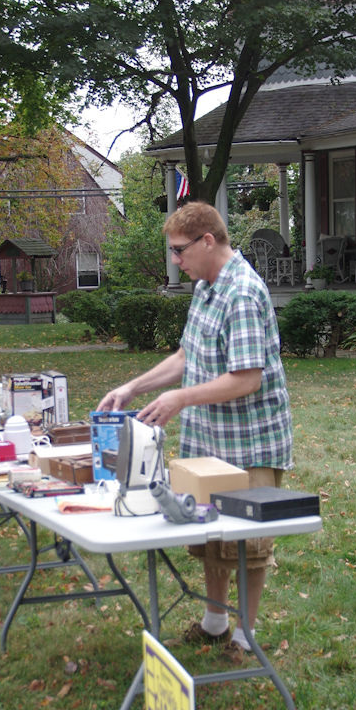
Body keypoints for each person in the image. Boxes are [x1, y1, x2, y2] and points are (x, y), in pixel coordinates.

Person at [98, 201, 293, 651]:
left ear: (208, 241)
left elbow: (247, 378)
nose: (174, 260)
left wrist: (181, 398)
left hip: (250, 443)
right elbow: (186, 358)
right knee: (208, 533)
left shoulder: (242, 292)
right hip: (209, 438)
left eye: (179, 250)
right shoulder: (206, 286)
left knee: (248, 544)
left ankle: (244, 639)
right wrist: (134, 387)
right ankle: (214, 623)